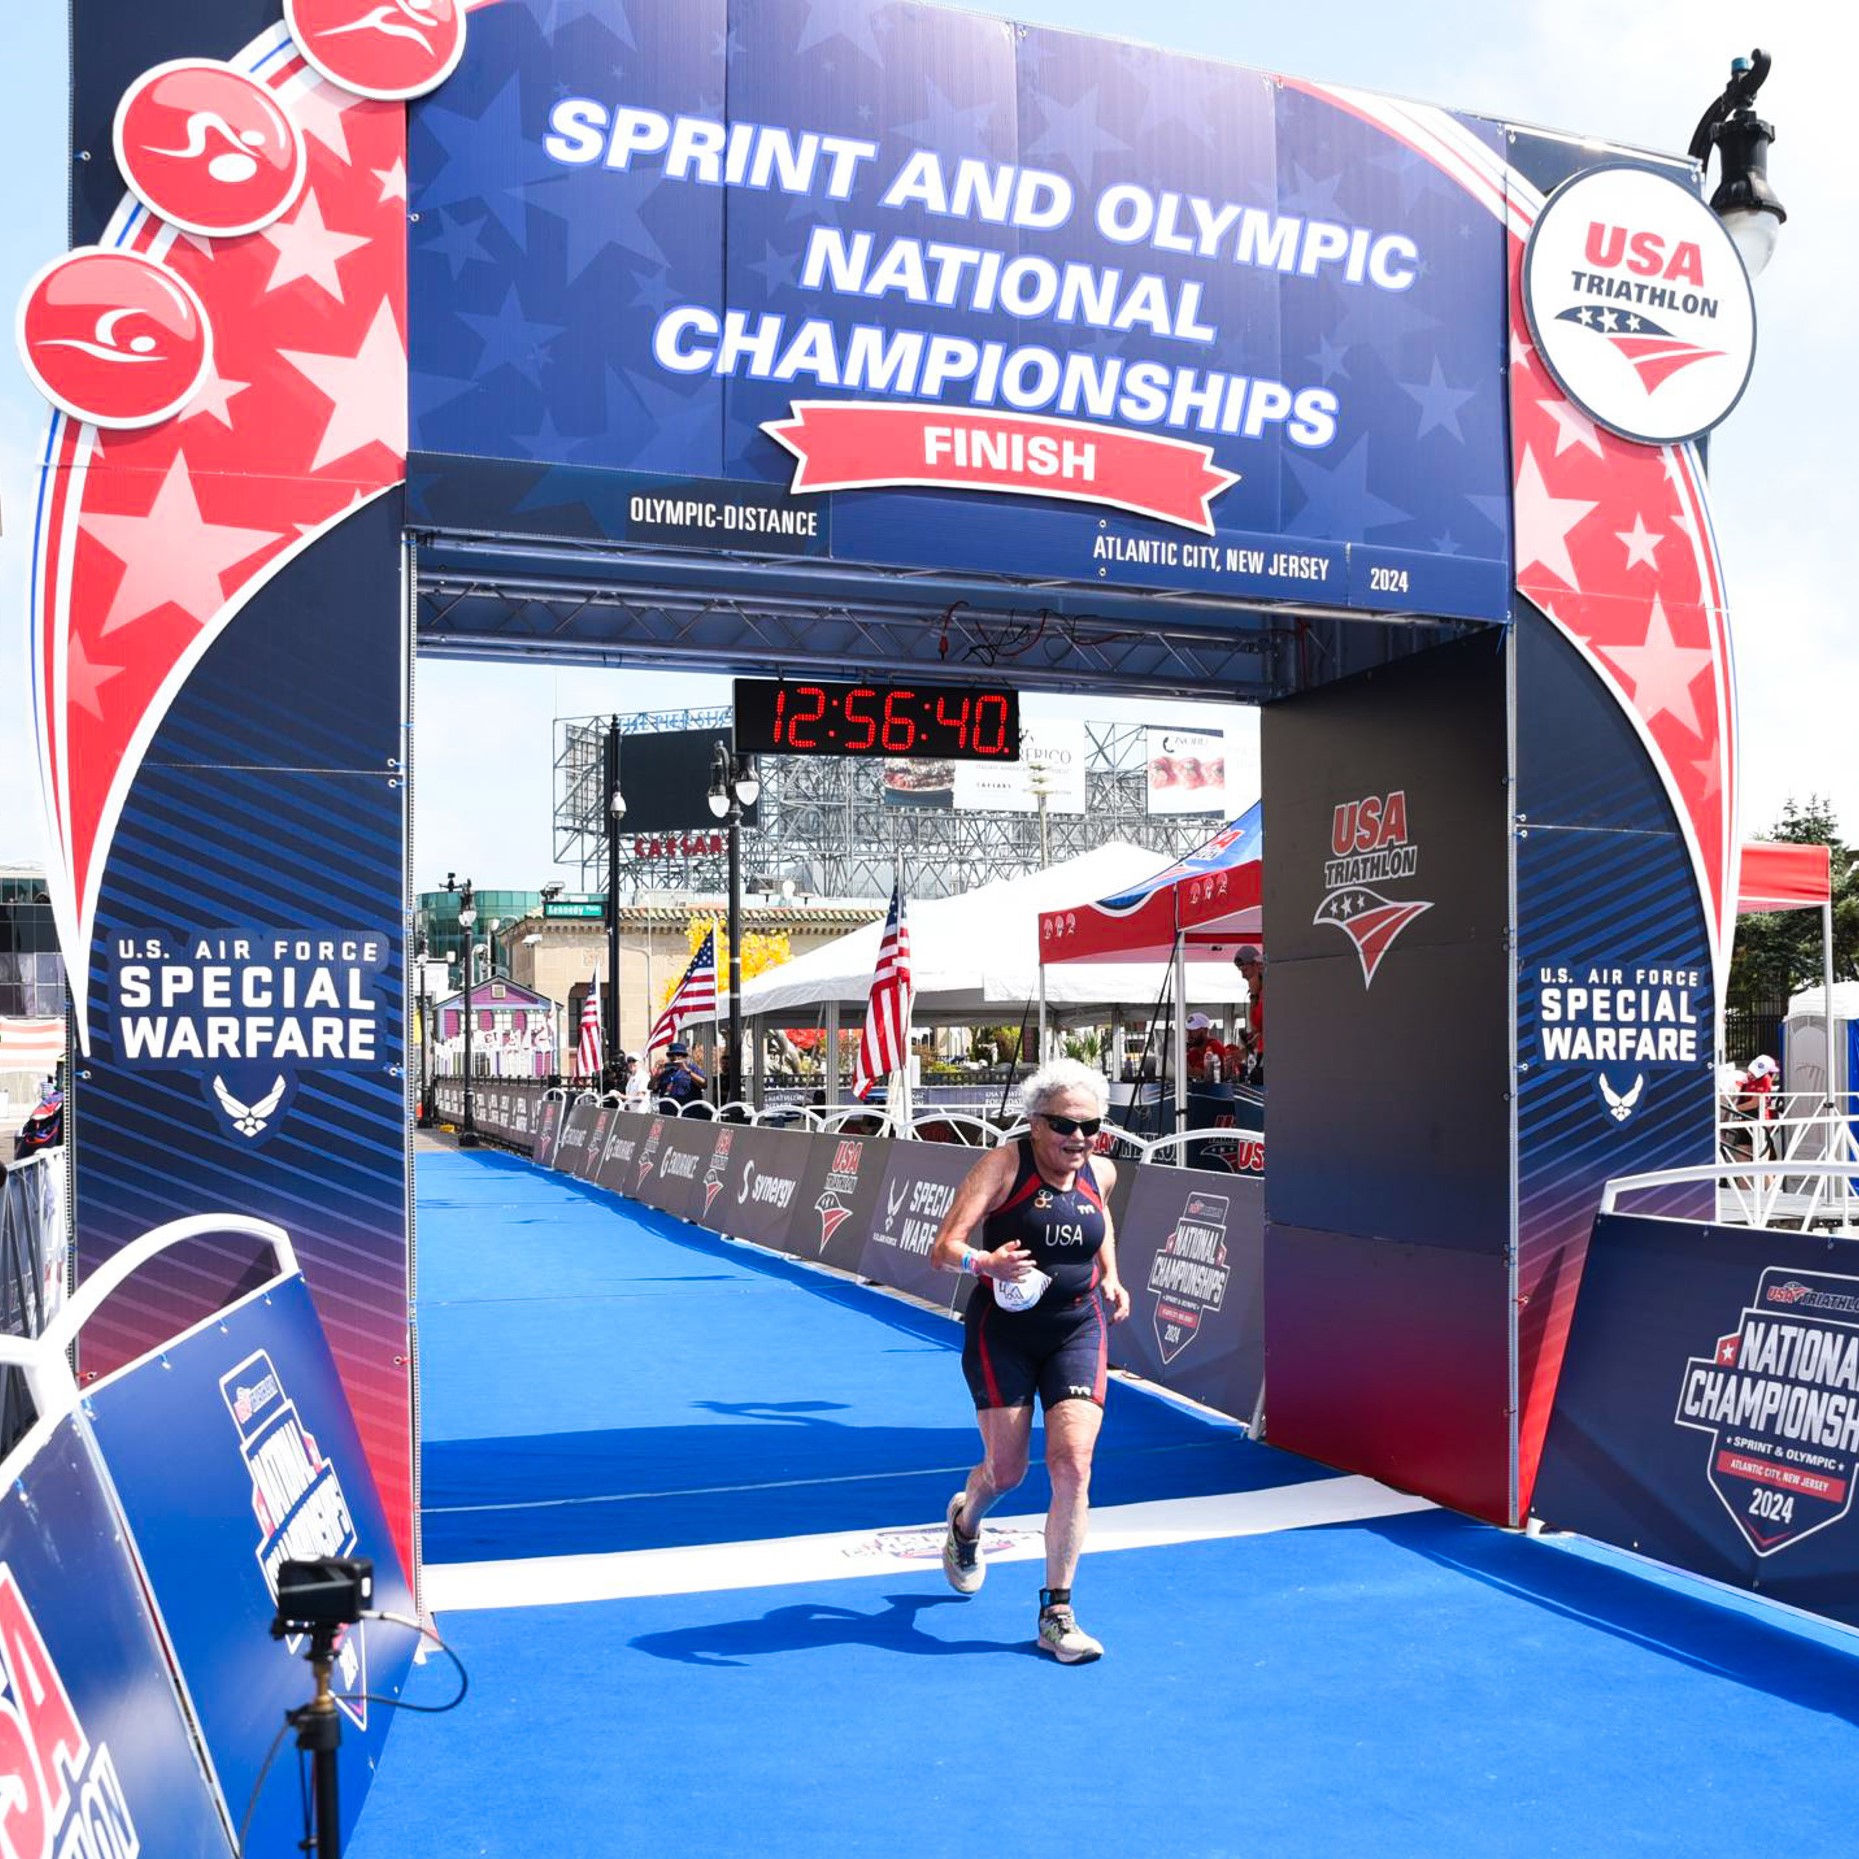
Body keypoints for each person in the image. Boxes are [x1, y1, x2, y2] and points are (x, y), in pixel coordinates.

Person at [929, 1058, 1130, 1663]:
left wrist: (1112, 1276)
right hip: (1004, 1332)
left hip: (1079, 1326)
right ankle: (966, 1520)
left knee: (1072, 1464)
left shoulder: (1101, 1171)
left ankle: (1057, 1612)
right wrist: (983, 1264)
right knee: (1008, 1471)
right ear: (1034, 1124)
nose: (1078, 1138)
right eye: (1064, 1126)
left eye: (1090, 1126)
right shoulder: (1002, 1165)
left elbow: (1101, 1222)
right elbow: (944, 1248)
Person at [1232, 944, 1265, 1084]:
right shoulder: (1259, 993)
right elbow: (1256, 1028)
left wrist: (1246, 1051)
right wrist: (1253, 995)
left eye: (1245, 970)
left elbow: (1266, 1029)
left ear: (1257, 965)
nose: (1243, 975)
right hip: (1262, 1052)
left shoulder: (1270, 992)